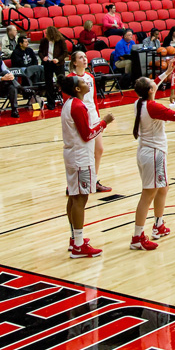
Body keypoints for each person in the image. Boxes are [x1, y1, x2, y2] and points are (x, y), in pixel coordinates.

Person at [129, 72, 175, 251]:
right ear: (151, 90)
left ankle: (158, 225)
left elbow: (150, 85)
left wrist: (166, 73)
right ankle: (137, 237)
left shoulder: (139, 102)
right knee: (147, 195)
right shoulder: (152, 106)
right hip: (154, 154)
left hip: (147, 152)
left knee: (163, 188)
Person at [60, 75, 114, 259]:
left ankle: (75, 239)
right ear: (76, 89)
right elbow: (88, 135)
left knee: (74, 196)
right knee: (80, 199)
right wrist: (104, 122)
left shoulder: (69, 103)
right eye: (83, 83)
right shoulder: (77, 106)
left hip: (73, 154)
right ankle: (79, 245)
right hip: (80, 156)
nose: (86, 83)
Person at [66, 50, 113, 193]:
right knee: (81, 152)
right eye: (81, 57)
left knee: (99, 149)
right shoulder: (70, 79)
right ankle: (73, 184)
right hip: (80, 117)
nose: (85, 59)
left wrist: (99, 119)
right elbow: (68, 101)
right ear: (74, 62)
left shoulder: (90, 77)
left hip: (93, 116)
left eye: (85, 57)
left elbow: (94, 100)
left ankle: (94, 180)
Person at [39, 26, 71, 105]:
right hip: (48, 64)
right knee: (48, 83)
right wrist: (43, 57)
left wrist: (58, 59)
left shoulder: (60, 40)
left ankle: (65, 100)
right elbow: (40, 52)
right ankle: (51, 103)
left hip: (58, 64)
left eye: (47, 33)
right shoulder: (43, 41)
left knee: (62, 81)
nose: (46, 35)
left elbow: (65, 52)